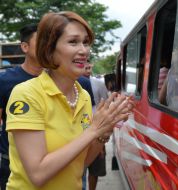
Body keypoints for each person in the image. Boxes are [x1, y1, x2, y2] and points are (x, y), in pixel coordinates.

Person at [5, 11, 133, 190]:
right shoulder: (27, 94)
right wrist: (94, 129)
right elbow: (38, 174)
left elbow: (81, 164)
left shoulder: (84, 96)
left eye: (86, 42)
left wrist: (105, 129)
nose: (84, 50)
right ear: (49, 49)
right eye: (73, 42)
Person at [0, 23, 43, 190]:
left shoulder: (59, 81)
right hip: (10, 163)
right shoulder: (5, 81)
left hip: (52, 162)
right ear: (25, 47)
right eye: (41, 41)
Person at [83, 62, 109, 190]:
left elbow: (105, 103)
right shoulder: (72, 83)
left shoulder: (98, 83)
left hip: (97, 129)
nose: (87, 70)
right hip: (81, 130)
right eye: (85, 68)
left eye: (89, 68)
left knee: (95, 168)